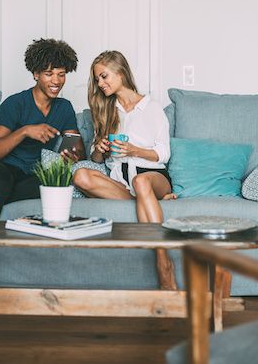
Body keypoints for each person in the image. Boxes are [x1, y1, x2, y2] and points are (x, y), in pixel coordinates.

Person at [0, 38, 85, 286]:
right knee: (1, 180)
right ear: (35, 74)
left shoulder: (64, 108)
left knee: (50, 188)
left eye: (61, 74)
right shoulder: (15, 104)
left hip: (26, 178)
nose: (56, 81)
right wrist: (25, 131)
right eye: (48, 74)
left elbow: (77, 149)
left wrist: (73, 153)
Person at [72, 50, 178, 290]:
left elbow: (164, 153)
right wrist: (99, 148)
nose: (100, 83)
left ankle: (163, 261)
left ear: (120, 72)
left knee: (141, 182)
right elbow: (97, 159)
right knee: (80, 175)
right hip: (122, 182)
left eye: (104, 76)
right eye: (97, 79)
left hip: (152, 175)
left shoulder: (152, 108)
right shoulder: (108, 109)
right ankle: (145, 201)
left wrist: (134, 150)